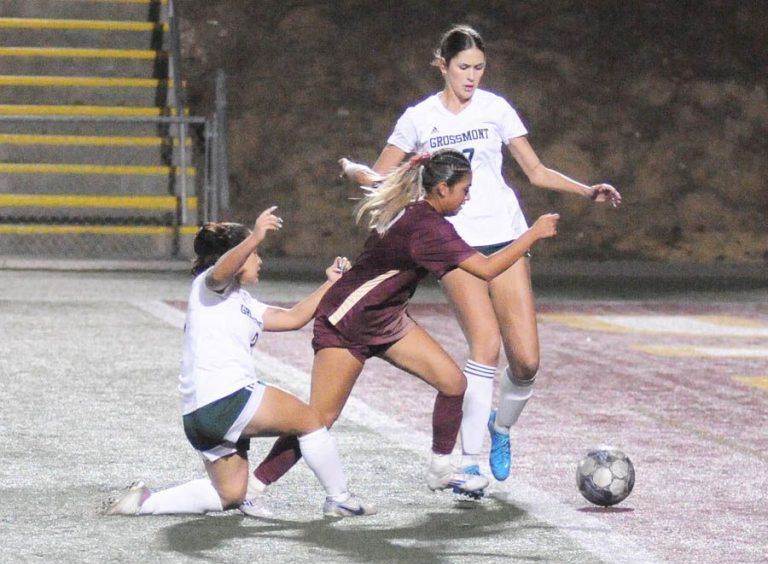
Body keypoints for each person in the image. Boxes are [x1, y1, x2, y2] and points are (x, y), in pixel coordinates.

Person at [339, 25, 622, 482]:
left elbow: (535, 170)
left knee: (527, 361)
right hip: (453, 244)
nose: (472, 76)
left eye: (479, 67)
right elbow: (380, 177)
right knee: (485, 346)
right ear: (442, 65)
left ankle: (500, 426)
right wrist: (355, 171)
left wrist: (586, 189)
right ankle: (469, 462)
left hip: (506, 235)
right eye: (463, 67)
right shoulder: (418, 119)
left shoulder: (495, 109)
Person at [242, 150, 559, 512]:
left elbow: (369, 179)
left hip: (387, 320)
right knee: (318, 419)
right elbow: (486, 270)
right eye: (464, 190)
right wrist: (532, 235)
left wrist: (349, 168)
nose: (468, 197)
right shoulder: (428, 228)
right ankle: (253, 486)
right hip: (348, 322)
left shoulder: (418, 208)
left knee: (454, 383)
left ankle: (441, 469)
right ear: (441, 188)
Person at [107, 207, 375, 518]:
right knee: (311, 419)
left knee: (230, 494)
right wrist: (256, 235)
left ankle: (143, 503)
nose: (259, 260)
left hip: (201, 416)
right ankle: (339, 497)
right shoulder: (208, 287)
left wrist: (332, 283)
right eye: (254, 253)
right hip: (226, 399)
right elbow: (221, 271)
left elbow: (292, 318)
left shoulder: (242, 301)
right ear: (235, 255)